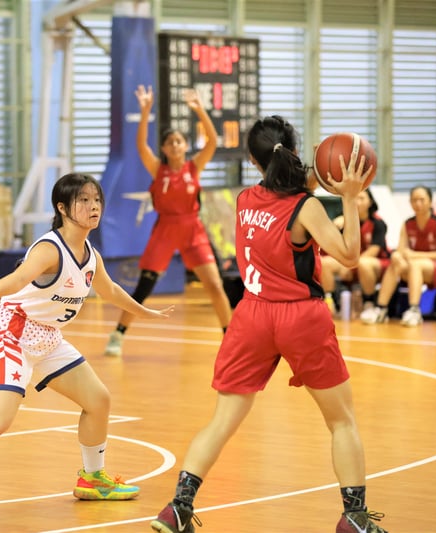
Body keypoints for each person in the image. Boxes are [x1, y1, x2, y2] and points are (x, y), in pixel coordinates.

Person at [150, 116, 388, 533]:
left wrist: (308, 172)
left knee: (222, 420)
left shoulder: (245, 200)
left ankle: (177, 508)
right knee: (341, 421)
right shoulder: (307, 206)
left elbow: (283, 183)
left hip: (252, 316)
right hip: (300, 316)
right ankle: (354, 517)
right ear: (296, 151)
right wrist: (349, 196)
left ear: (252, 161)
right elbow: (350, 255)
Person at [0, 172, 173, 529]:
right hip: (12, 332)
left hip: (48, 338)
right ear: (62, 208)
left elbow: (110, 291)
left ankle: (92, 479)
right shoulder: (50, 249)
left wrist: (145, 311)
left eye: (96, 200)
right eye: (83, 200)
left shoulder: (91, 255)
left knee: (98, 400)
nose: (93, 206)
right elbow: (18, 278)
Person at [104, 85, 231, 357]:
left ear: (185, 146)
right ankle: (118, 334)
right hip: (165, 230)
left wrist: (199, 110)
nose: (174, 145)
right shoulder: (157, 169)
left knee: (214, 284)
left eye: (179, 141)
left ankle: (229, 336)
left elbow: (212, 141)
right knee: (144, 287)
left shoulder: (193, 167)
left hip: (193, 229)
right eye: (170, 142)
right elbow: (140, 145)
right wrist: (145, 110)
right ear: (163, 147)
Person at [360, 186, 436, 327]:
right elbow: (400, 250)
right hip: (416, 267)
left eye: (422, 200)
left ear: (430, 202)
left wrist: (413, 255)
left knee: (414, 264)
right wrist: (397, 256)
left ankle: (414, 310)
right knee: (396, 263)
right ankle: (381, 308)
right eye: (414, 200)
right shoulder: (408, 223)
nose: (418, 203)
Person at [320, 188, 391, 317]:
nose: (357, 202)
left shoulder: (378, 223)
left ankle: (368, 303)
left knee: (364, 263)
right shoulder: (344, 221)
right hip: (351, 262)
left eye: (362, 198)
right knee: (324, 262)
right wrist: (334, 227)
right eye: (355, 198)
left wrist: (350, 266)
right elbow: (335, 248)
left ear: (370, 202)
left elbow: (373, 251)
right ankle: (330, 302)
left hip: (376, 264)